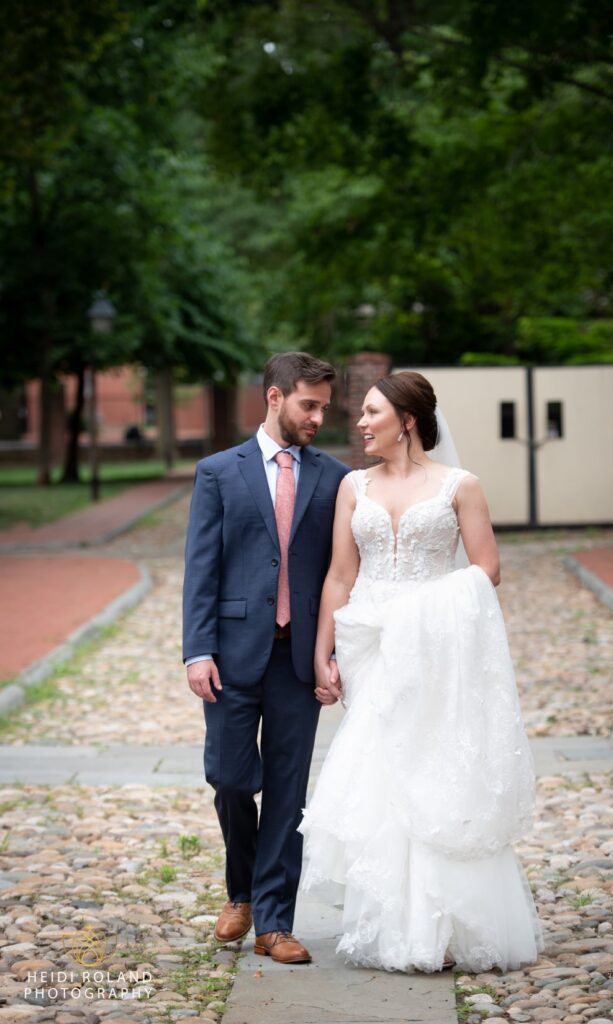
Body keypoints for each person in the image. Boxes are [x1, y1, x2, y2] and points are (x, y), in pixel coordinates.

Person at [300, 370, 543, 973]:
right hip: (372, 647)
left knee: (435, 766)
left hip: (434, 643)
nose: (360, 423)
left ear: (407, 420)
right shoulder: (353, 486)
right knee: (381, 772)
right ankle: (392, 926)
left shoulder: (460, 485)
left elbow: (486, 569)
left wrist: (422, 612)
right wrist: (321, 651)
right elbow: (339, 576)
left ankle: (447, 925)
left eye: (372, 413)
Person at [183, 352, 350, 965]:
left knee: (288, 790)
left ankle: (274, 922)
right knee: (230, 779)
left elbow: (342, 571)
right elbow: (201, 568)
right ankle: (242, 889)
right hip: (230, 655)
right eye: (309, 405)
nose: (318, 417)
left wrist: (333, 652)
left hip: (298, 659)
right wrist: (197, 650)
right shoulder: (218, 472)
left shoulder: (335, 477)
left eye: (324, 407)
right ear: (274, 398)